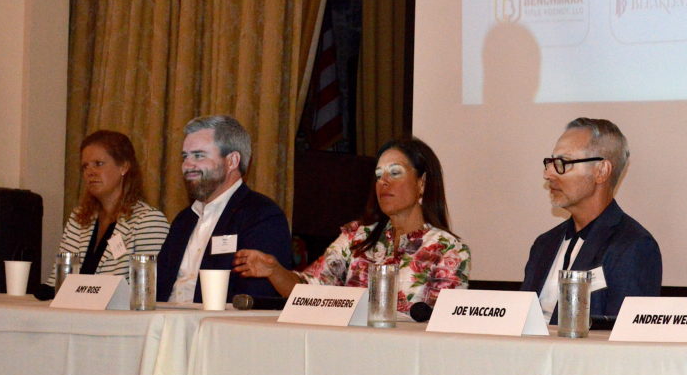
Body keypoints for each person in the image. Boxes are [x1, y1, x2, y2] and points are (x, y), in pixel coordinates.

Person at [233, 136, 470, 316]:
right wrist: (275, 271)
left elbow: (443, 323)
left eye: (394, 173)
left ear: (422, 183)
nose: (383, 182)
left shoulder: (448, 249)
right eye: (378, 175)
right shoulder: (356, 236)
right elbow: (308, 292)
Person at [521, 117, 661, 322]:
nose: (548, 173)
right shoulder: (545, 243)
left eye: (563, 163)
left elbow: (625, 339)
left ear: (601, 171)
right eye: (550, 163)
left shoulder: (632, 246)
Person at [155, 115, 292, 302]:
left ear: (232, 161)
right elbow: (157, 287)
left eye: (198, 155)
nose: (187, 165)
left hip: (214, 327)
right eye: (185, 157)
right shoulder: (184, 220)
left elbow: (255, 299)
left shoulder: (262, 216)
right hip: (162, 323)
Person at [48, 130, 169, 284]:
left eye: (98, 164)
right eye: (85, 166)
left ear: (124, 167)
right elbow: (57, 282)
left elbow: (148, 289)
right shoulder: (78, 219)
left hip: (118, 308)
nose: (90, 172)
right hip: (74, 307)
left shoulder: (148, 221)